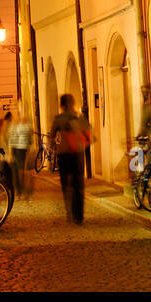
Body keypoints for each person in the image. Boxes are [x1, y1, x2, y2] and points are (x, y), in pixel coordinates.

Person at [49, 94, 92, 225]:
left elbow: (52, 136)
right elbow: (89, 137)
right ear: (73, 103)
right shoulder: (80, 117)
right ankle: (79, 215)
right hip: (78, 153)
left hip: (63, 154)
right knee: (78, 184)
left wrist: (55, 147)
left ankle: (69, 212)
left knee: (66, 185)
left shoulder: (58, 119)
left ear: (61, 105)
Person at [7, 104, 33, 199]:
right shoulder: (15, 122)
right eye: (22, 109)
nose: (24, 111)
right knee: (18, 171)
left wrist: (30, 149)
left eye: (25, 109)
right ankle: (18, 191)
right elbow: (11, 139)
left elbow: (29, 137)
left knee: (23, 172)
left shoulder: (28, 122)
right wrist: (10, 153)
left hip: (25, 149)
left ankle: (23, 191)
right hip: (16, 149)